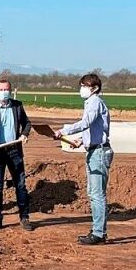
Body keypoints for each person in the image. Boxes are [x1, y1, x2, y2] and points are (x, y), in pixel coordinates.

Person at [54, 73, 112, 245]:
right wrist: (81, 141)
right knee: (93, 193)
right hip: (94, 150)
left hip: (99, 152)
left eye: (84, 86)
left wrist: (64, 131)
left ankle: (99, 233)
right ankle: (98, 230)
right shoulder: (92, 102)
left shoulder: (94, 102)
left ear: (94, 88)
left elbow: (86, 122)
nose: (82, 89)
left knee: (97, 194)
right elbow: (95, 129)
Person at [0, 79, 33, 231]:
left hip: (14, 151)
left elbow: (27, 123)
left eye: (6, 89)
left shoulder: (17, 106)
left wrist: (24, 134)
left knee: (20, 186)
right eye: (1, 89)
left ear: (10, 90)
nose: (4, 92)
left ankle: (24, 217)